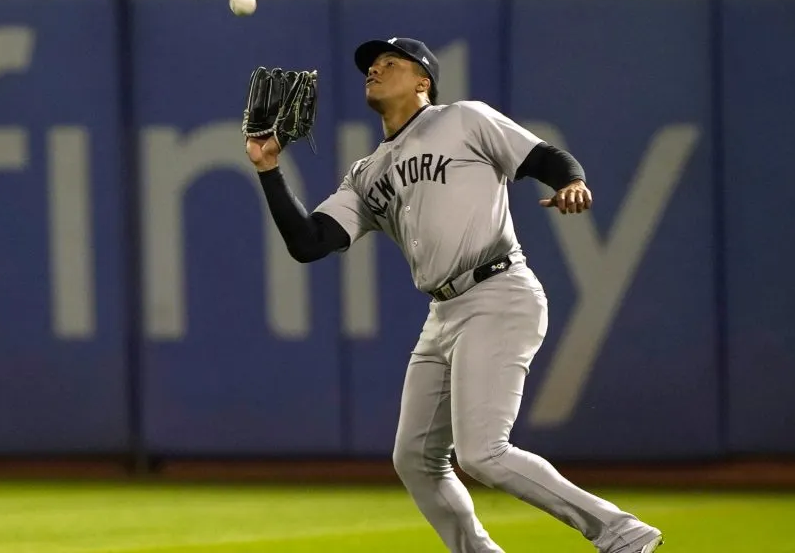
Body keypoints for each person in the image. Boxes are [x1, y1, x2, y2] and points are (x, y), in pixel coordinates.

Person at [245, 37, 664, 553]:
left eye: (389, 63)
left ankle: (621, 533)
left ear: (423, 81)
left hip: (499, 291)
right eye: (370, 67)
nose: (373, 70)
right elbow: (308, 243)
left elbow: (544, 157)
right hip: (443, 313)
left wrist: (572, 181)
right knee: (415, 459)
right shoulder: (366, 173)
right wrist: (268, 167)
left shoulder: (464, 119)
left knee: (483, 453)